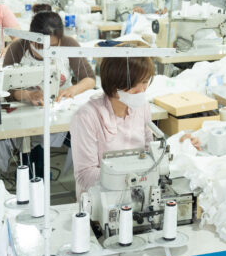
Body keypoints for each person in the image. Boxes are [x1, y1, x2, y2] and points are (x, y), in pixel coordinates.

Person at [70, 56, 199, 200]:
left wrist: (179, 145)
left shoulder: (142, 107)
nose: (141, 90)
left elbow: (149, 151)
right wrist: (133, 177)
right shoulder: (86, 117)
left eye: (144, 82)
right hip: (100, 198)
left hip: (137, 194)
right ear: (114, 85)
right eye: (133, 84)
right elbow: (84, 175)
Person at [2, 11, 95, 104]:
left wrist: (73, 90)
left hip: (61, 103)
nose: (47, 50)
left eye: (53, 46)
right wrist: (27, 95)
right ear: (31, 37)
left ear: (60, 39)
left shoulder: (68, 44)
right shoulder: (17, 48)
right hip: (25, 107)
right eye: (41, 45)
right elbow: (4, 87)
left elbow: (90, 79)